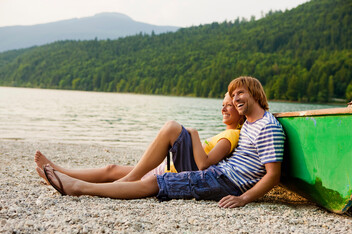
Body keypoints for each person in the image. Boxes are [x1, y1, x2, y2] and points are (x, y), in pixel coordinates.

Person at [40, 76, 285, 208]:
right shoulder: (251, 124)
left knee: (157, 182)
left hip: (226, 182)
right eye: (232, 96)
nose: (234, 99)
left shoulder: (268, 127)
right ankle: (70, 179)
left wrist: (243, 198)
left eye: (239, 93)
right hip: (219, 175)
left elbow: (272, 175)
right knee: (145, 177)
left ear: (255, 93)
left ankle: (79, 188)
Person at [35, 92, 245, 186]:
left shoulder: (231, 135)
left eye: (230, 105)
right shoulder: (224, 133)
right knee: (111, 169)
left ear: (241, 111)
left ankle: (129, 179)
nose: (224, 107)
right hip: (170, 167)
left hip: (180, 172)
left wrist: (195, 134)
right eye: (223, 103)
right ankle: (58, 172)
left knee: (172, 127)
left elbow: (203, 166)